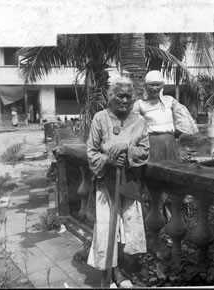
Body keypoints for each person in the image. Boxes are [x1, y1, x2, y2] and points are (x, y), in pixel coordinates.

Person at [87, 76, 149, 288]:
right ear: (111, 96)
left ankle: (122, 271)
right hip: (106, 184)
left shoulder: (139, 122)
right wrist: (109, 158)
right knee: (107, 230)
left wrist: (126, 148)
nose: (124, 100)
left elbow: (144, 152)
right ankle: (109, 276)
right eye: (120, 96)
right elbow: (91, 152)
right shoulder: (100, 119)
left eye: (128, 96)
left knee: (130, 231)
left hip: (130, 184)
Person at [132, 70, 198, 161]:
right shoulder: (140, 105)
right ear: (145, 86)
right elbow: (131, 124)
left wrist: (174, 133)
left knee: (171, 170)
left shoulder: (169, 101)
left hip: (169, 143)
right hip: (150, 145)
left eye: (158, 84)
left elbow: (184, 118)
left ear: (162, 85)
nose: (155, 88)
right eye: (151, 85)